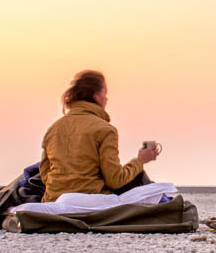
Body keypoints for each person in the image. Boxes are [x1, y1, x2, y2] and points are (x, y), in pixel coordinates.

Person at [39, 70, 161, 203]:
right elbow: (115, 180)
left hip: (53, 200)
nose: (106, 98)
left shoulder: (53, 129)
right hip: (90, 201)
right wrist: (140, 160)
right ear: (96, 96)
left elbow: (45, 174)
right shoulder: (105, 130)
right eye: (105, 93)